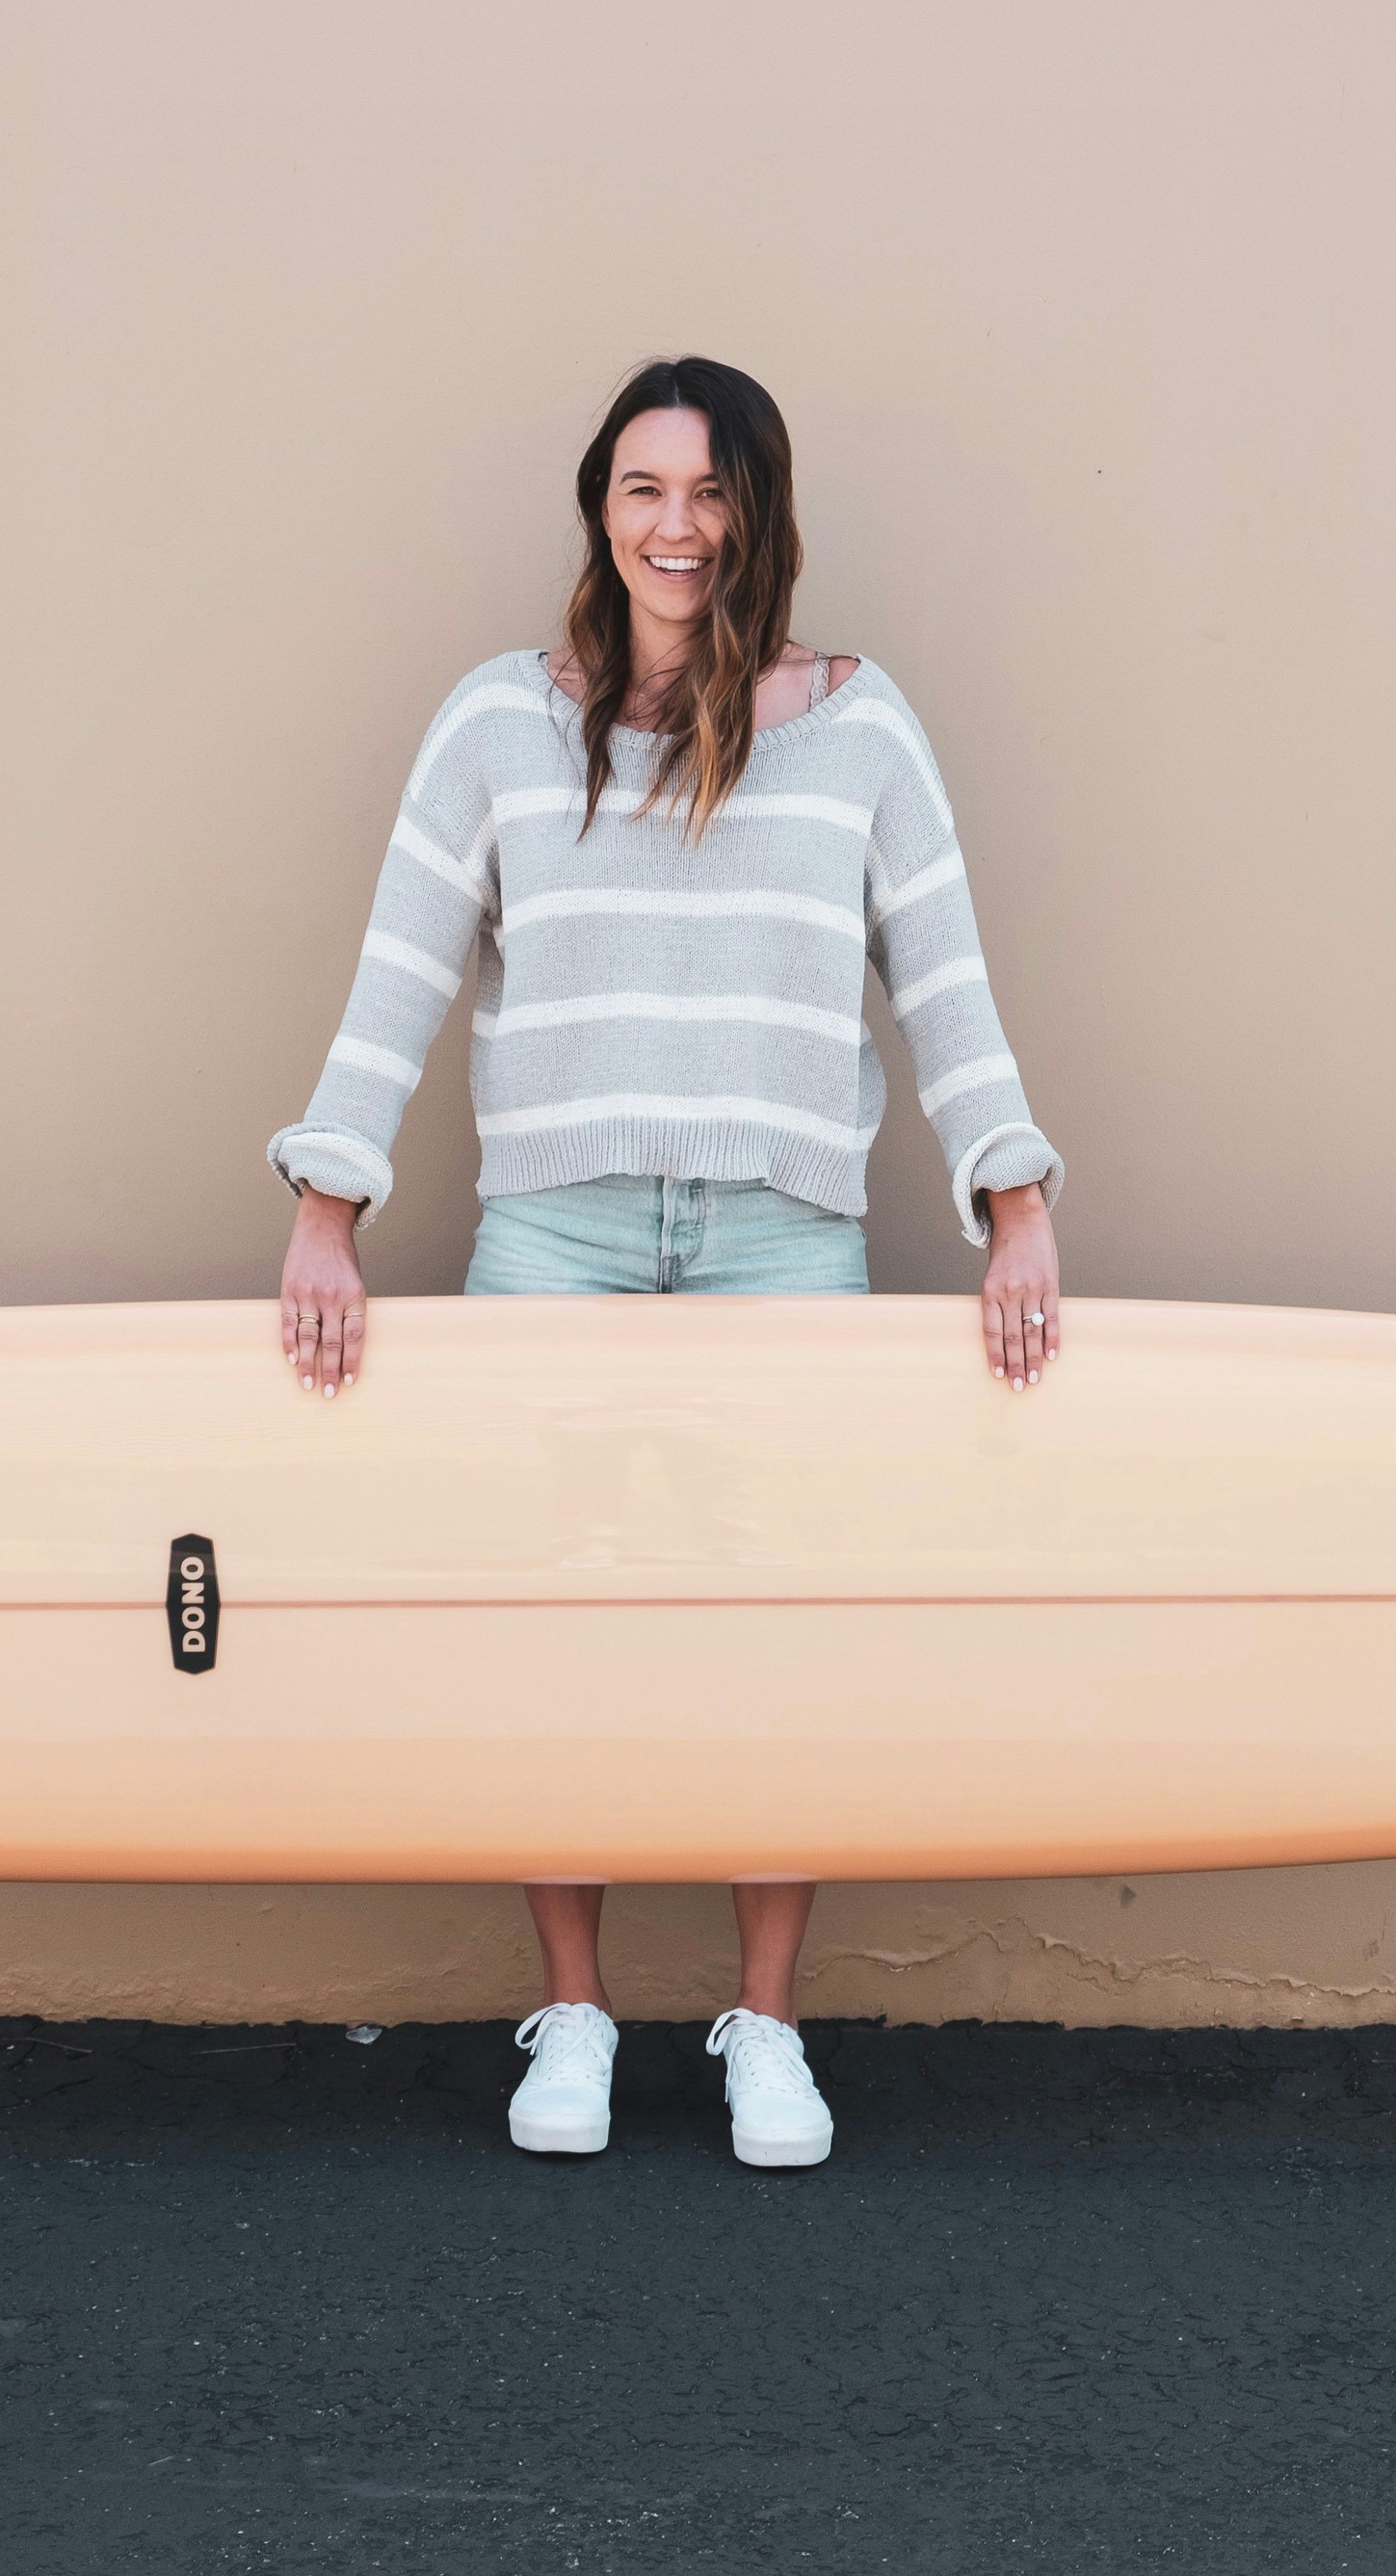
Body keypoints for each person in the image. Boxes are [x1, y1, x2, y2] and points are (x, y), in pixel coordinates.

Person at [264, 356, 1065, 2169]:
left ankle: (767, 2031)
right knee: (549, 1628)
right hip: (559, 1226)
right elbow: (402, 961)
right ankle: (575, 2017)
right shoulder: (499, 724)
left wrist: (1012, 1199)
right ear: (598, 506)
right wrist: (333, 1201)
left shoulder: (859, 729)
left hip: (786, 1238)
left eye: (708, 494)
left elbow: (938, 976)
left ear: (759, 513)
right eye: (642, 490)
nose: (675, 529)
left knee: (786, 1634)